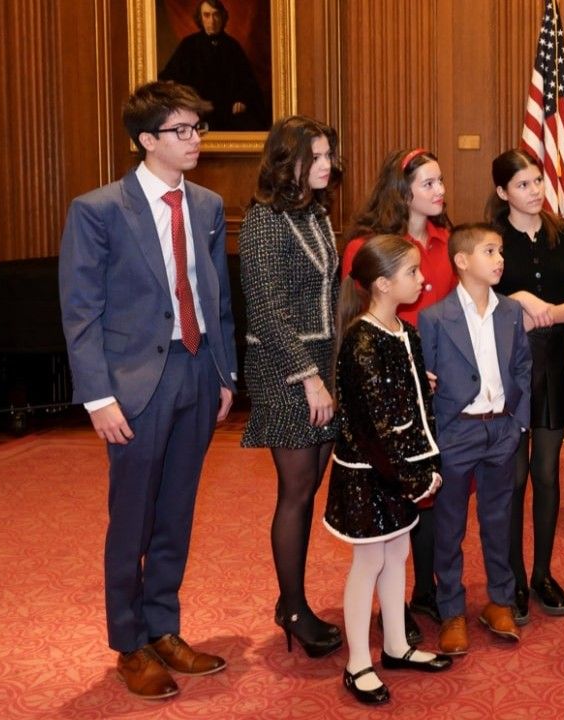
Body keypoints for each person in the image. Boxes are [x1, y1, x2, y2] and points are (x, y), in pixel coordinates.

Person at [59, 80, 237, 700]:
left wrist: (224, 373)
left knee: (176, 512)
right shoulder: (99, 209)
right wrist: (98, 397)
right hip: (134, 386)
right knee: (131, 519)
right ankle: (129, 643)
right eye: (181, 131)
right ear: (145, 140)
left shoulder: (210, 206)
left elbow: (217, 300)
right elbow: (80, 312)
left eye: (197, 129)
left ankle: (164, 627)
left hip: (195, 371)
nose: (194, 141)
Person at [324, 235, 453, 706]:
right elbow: (374, 428)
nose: (425, 279)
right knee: (370, 561)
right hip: (371, 472)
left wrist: (430, 462)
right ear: (381, 284)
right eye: (414, 273)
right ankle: (358, 661)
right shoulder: (362, 341)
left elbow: (420, 409)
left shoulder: (405, 332)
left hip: (402, 469)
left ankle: (396, 645)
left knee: (397, 554)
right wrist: (411, 478)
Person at [238, 115, 343, 658]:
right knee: (296, 494)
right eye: (317, 157)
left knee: (309, 489)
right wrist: (309, 380)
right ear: (287, 162)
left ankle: (292, 601)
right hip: (285, 371)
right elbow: (267, 309)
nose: (327, 166)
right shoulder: (263, 222)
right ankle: (294, 608)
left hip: (322, 363)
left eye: (329, 156)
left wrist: (331, 371)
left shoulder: (317, 215)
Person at [342, 147, 457, 640]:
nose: (440, 191)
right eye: (429, 183)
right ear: (403, 190)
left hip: (437, 379)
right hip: (388, 385)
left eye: (440, 181)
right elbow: (359, 320)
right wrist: (409, 378)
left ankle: (425, 594)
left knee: (432, 487)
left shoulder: (445, 241)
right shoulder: (367, 248)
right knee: (394, 499)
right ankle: (393, 617)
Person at [488, 149, 564, 621]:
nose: (534, 192)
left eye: (537, 181)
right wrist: (523, 301)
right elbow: (479, 303)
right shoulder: (491, 240)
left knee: (546, 475)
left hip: (553, 362)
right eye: (523, 185)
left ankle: (543, 574)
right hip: (508, 368)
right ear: (502, 193)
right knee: (511, 478)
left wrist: (545, 313)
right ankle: (510, 576)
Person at [418, 223, 532, 656]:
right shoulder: (434, 317)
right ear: (462, 261)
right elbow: (426, 381)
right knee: (449, 527)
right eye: (490, 251)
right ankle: (451, 610)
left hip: (501, 429)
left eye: (501, 251)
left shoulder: (510, 313)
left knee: (499, 519)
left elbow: (522, 367)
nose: (500, 259)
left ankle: (499, 600)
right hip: (456, 432)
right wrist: (438, 433)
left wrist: (518, 423)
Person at [159, 0, 270, 131]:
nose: (212, 21)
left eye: (216, 15)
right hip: (197, 112)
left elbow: (248, 84)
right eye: (206, 15)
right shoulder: (188, 45)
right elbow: (168, 77)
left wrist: (242, 100)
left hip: (227, 114)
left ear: (222, 17)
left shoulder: (233, 47)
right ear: (200, 18)